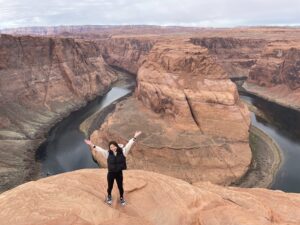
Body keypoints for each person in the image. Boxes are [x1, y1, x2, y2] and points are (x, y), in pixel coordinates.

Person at [84, 131, 142, 206]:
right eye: (111, 147)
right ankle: (109, 197)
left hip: (119, 173)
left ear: (117, 146)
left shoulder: (123, 152)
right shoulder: (107, 154)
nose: (113, 148)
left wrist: (135, 137)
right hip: (111, 173)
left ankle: (121, 198)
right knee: (110, 186)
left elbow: (129, 144)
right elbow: (100, 150)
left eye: (114, 146)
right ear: (110, 148)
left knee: (120, 187)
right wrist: (91, 144)